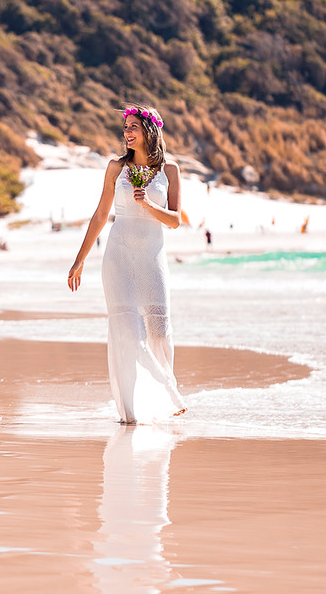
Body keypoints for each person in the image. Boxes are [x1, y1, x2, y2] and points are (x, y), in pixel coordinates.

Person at [68, 104, 185, 424]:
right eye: (125, 128)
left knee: (159, 332)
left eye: (133, 126)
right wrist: (79, 261)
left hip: (152, 256)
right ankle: (132, 411)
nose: (127, 133)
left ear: (150, 131)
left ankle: (164, 397)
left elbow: (175, 221)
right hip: (118, 257)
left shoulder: (170, 170)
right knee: (128, 333)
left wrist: (147, 204)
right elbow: (100, 215)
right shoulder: (115, 168)